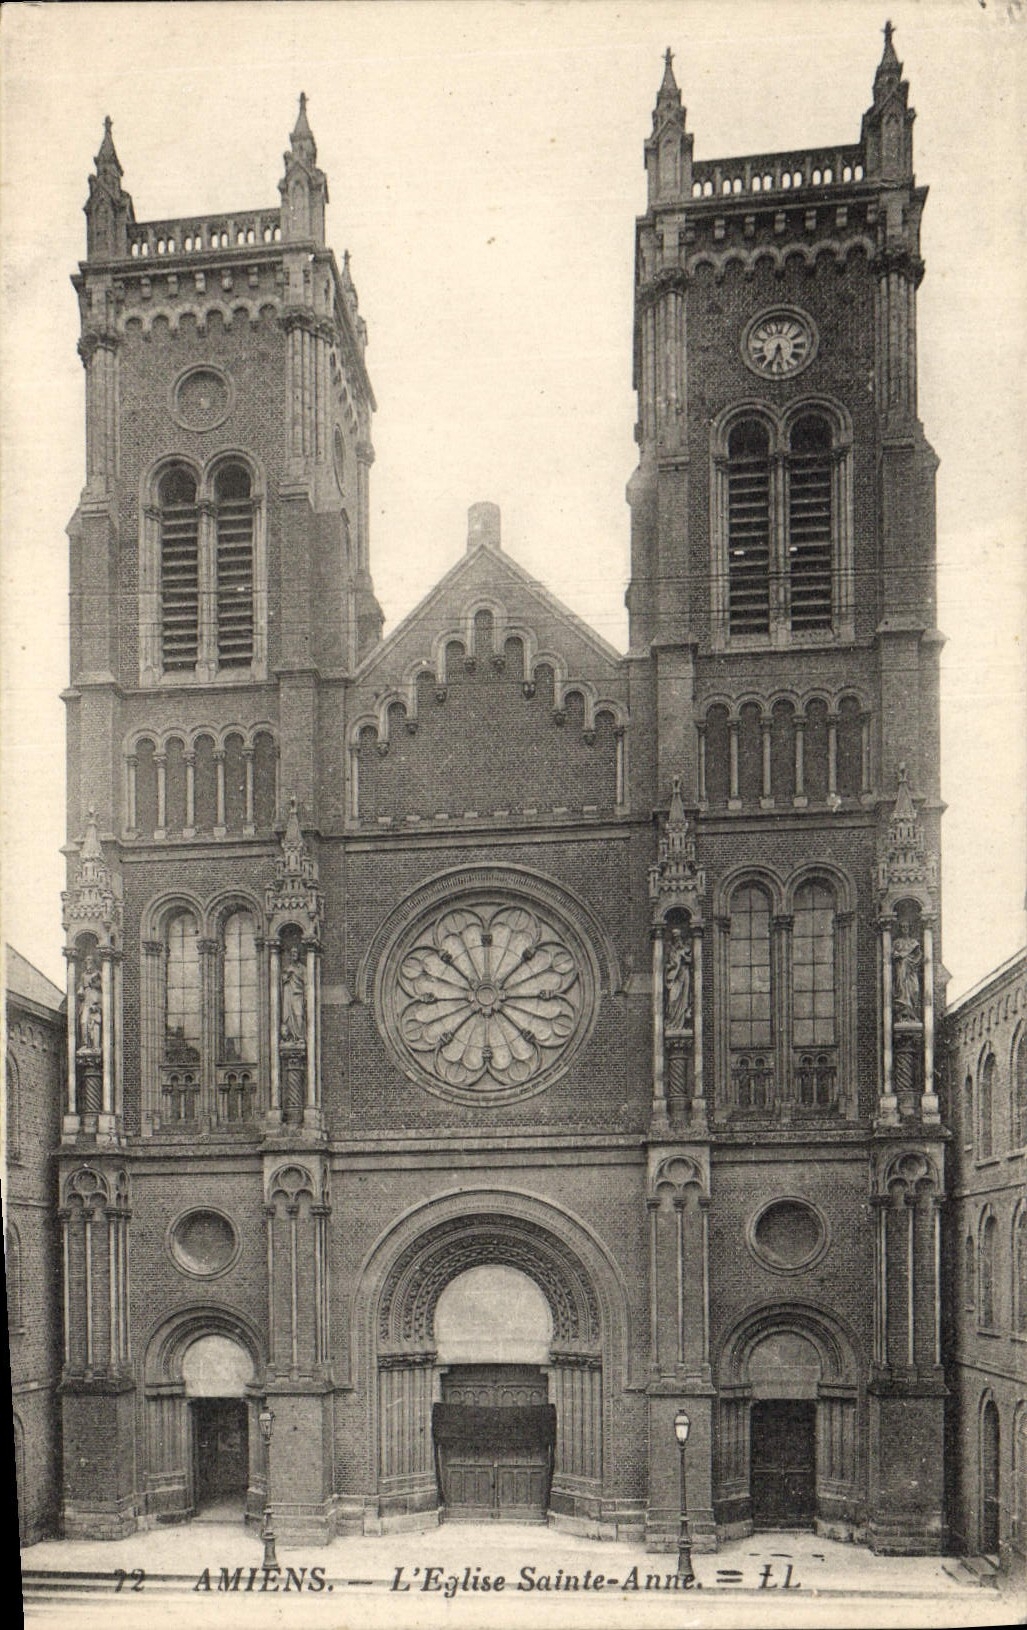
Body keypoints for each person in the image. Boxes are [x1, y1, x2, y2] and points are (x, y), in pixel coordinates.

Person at [664, 927, 693, 1031]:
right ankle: (672, 1022)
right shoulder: (671, 951)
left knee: (683, 999)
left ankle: (680, 1023)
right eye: (675, 938)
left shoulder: (685, 949)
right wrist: (672, 965)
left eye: (678, 938)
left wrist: (684, 958)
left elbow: (691, 960)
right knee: (672, 999)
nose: (677, 940)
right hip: (674, 978)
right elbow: (667, 964)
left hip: (684, 975)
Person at [892, 927, 922, 1022]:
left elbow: (919, 955)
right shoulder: (897, 942)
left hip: (911, 971)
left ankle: (913, 1013)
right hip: (901, 971)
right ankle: (904, 1014)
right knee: (901, 989)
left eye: (907, 927)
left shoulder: (913, 942)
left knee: (915, 990)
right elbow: (893, 954)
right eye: (903, 927)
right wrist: (898, 956)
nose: (905, 929)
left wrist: (910, 960)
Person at [280, 943, 306, 1043]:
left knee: (299, 1015)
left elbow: (306, 981)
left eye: (295, 952)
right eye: (292, 953)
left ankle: (300, 1037)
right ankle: (289, 1037)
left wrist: (294, 973)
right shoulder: (288, 968)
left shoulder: (302, 968)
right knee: (288, 1017)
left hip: (298, 995)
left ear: (299, 954)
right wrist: (287, 975)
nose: (293, 954)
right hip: (289, 996)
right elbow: (283, 980)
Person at [77, 953, 103, 1051]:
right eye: (87, 960)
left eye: (90, 960)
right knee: (83, 1022)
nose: (88, 962)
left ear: (94, 962)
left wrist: (98, 1003)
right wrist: (80, 991)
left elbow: (102, 987)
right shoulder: (83, 975)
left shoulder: (98, 973)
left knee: (95, 1022)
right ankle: (85, 1043)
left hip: (94, 999)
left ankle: (95, 1045)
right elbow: (81, 987)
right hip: (86, 1001)